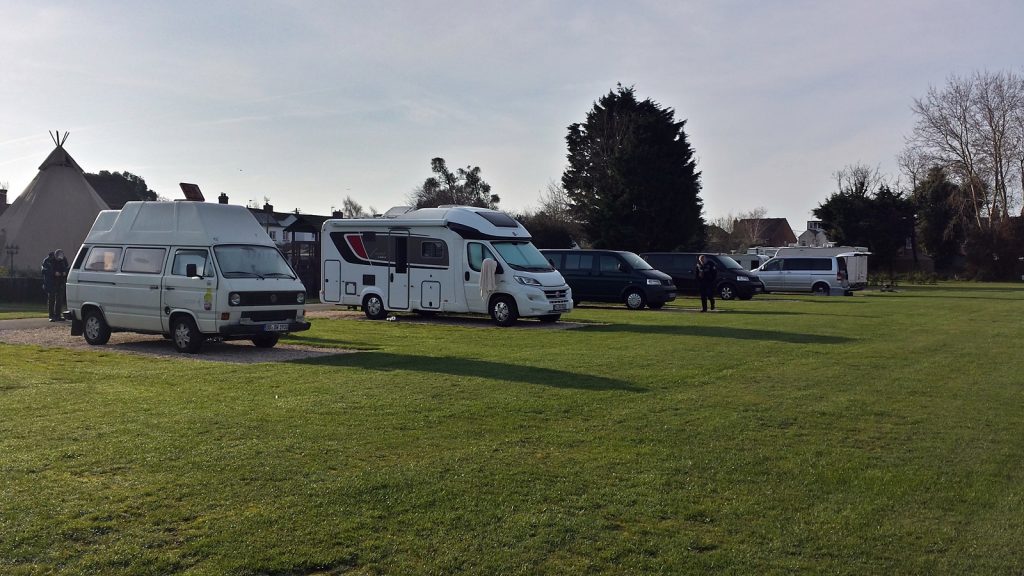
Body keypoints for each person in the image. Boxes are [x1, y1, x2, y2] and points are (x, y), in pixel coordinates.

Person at [41, 249, 69, 321]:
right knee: (51, 299)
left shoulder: (63, 260)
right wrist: (54, 273)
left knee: (59, 299)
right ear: (55, 256)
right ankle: (51, 316)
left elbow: (67, 268)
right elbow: (43, 270)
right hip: (51, 282)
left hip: (60, 281)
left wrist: (64, 272)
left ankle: (58, 315)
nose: (59, 260)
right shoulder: (48, 260)